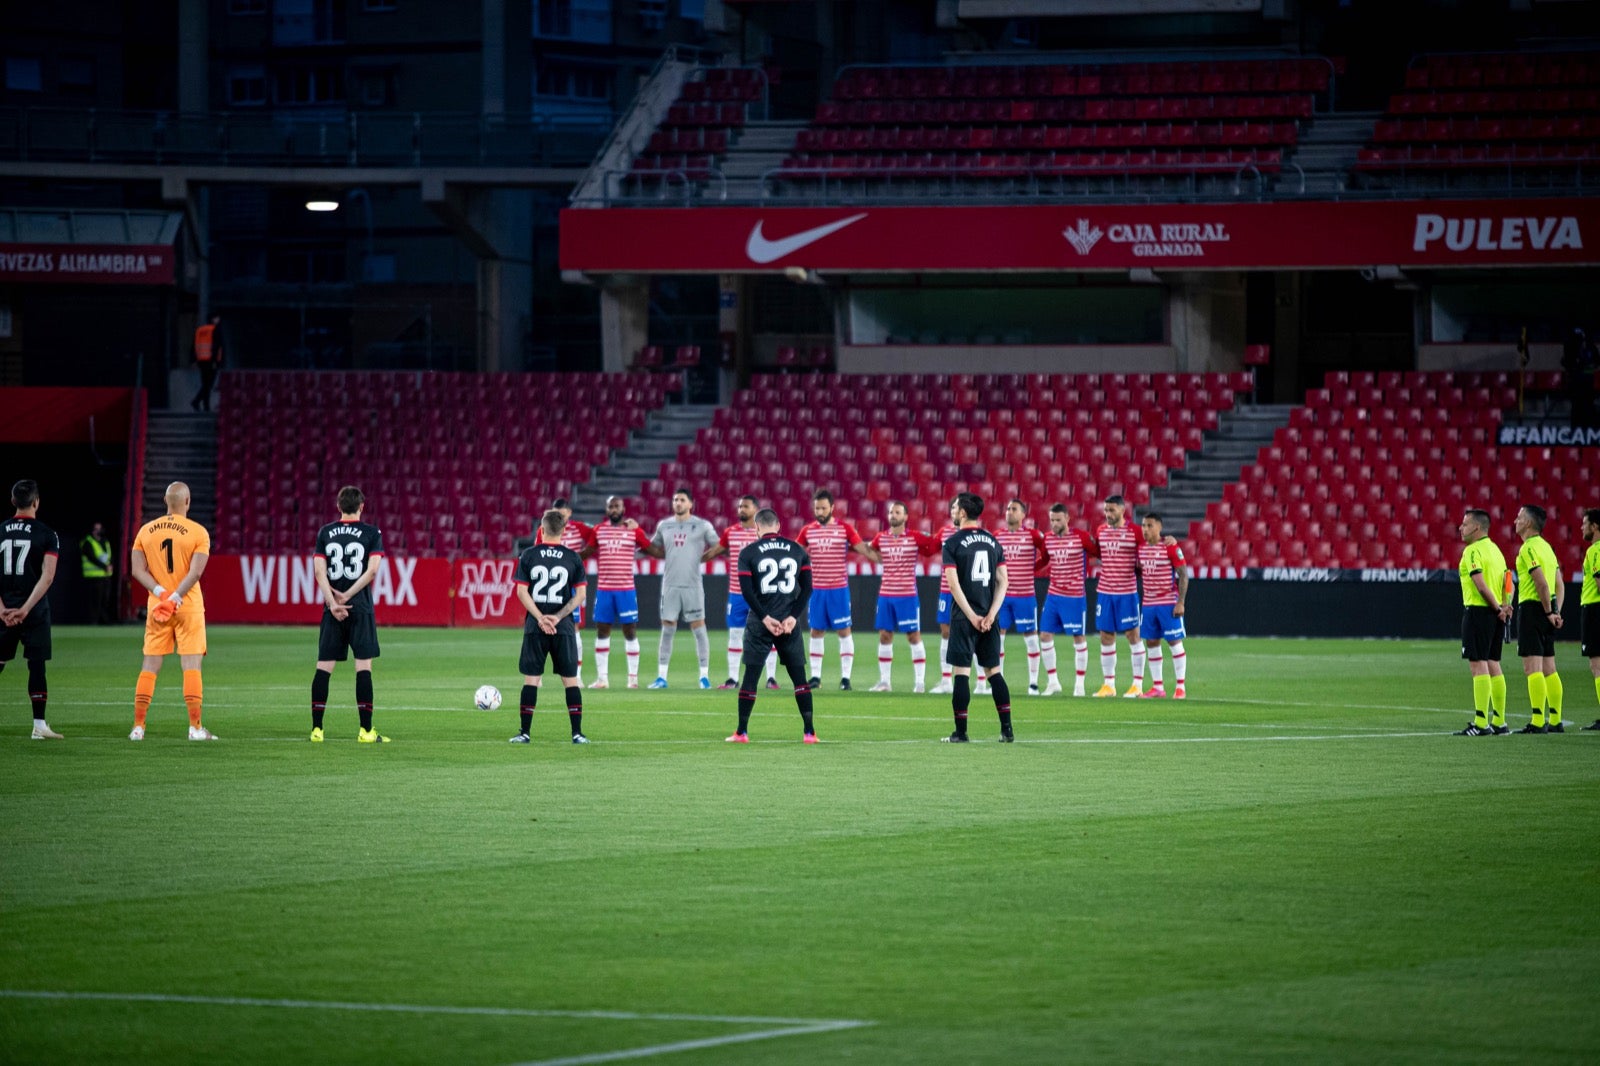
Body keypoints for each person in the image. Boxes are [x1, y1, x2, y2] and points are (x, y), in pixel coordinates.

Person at [129, 481, 216, 740]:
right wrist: (176, 597)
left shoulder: (146, 530)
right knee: (191, 665)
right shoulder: (198, 532)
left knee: (150, 665)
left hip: (158, 607)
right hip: (187, 606)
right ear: (187, 502)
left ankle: (138, 727)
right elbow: (196, 572)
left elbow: (136, 570)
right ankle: (196, 728)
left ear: (165, 501)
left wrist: (162, 594)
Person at [726, 508, 818, 743]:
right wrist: (793, 617)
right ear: (778, 525)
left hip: (761, 622)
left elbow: (746, 591)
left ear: (757, 528)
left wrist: (765, 617)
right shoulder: (798, 550)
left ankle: (741, 732)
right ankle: (809, 732)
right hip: (788, 622)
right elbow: (807, 588)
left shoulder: (748, 552)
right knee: (799, 678)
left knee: (751, 676)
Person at [311, 485, 388, 743]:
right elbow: (373, 571)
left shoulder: (326, 532)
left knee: (324, 668)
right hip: (361, 608)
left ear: (338, 506)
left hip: (332, 610)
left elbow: (319, 572)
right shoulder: (371, 533)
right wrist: (349, 595)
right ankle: (366, 731)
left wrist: (333, 602)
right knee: (363, 668)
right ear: (361, 507)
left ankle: (317, 730)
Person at [510, 510, 589, 744]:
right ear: (563, 530)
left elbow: (521, 592)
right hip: (563, 627)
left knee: (531, 679)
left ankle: (524, 733)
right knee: (570, 680)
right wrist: (557, 617)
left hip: (536, 627)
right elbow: (581, 595)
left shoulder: (528, 555)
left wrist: (540, 618)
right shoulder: (573, 558)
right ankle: (577, 733)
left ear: (542, 530)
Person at [941, 492, 1013, 743]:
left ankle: (960, 733)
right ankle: (1007, 730)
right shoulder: (993, 541)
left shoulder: (952, 543)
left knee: (961, 673)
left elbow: (953, 585)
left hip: (964, 618)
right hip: (989, 619)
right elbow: (1003, 581)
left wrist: (971, 616)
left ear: (962, 513)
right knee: (994, 672)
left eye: (955, 507)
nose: (953, 511)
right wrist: (990, 614)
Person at [1, 480, 63, 739]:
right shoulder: (47, 534)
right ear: (36, 502)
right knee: (36, 665)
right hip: (34, 611)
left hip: (3, 612)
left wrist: (3, 609)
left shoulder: (1, 530)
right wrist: (25, 609)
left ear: (13, 501)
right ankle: (39, 726)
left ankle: (40, 726)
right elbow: (47, 577)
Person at [797, 488, 874, 690]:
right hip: (817, 590)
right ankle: (815, 677)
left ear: (832, 508)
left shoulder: (845, 529)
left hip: (838, 589)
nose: (820, 512)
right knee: (816, 631)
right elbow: (796, 553)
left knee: (844, 631)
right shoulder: (807, 531)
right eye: (817, 508)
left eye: (823, 508)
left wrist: (884, 560)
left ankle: (846, 679)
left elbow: (863, 549)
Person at [702, 494, 779, 691]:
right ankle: (733, 678)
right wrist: (694, 560)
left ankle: (771, 678)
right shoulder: (730, 533)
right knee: (735, 635)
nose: (741, 510)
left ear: (755, 509)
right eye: (739, 506)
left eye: (745, 506)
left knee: (769, 634)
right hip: (737, 594)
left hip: (762, 594)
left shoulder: (762, 533)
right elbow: (715, 551)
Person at [648, 488, 720, 689]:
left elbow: (719, 546)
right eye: (675, 500)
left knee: (699, 628)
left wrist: (704, 558)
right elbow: (654, 548)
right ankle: (661, 677)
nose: (678, 503)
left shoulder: (702, 525)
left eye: (682, 500)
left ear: (690, 504)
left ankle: (704, 677)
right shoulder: (664, 525)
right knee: (668, 629)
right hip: (670, 585)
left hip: (692, 585)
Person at [589, 495, 662, 689]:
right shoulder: (598, 530)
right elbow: (587, 551)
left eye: (617, 506)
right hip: (604, 590)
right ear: (606, 510)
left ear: (623, 509)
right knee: (602, 630)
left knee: (630, 631)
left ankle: (633, 680)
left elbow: (652, 550)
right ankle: (602, 679)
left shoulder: (632, 531)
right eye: (611, 506)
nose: (614, 509)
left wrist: (639, 530)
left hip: (626, 590)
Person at [867, 500, 939, 692]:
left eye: (898, 512)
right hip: (886, 594)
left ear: (906, 517)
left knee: (913, 636)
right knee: (884, 636)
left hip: (907, 595)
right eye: (891, 512)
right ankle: (884, 682)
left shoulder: (915, 537)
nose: (893, 515)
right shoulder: (881, 538)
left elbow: (933, 544)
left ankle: (919, 683)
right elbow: (869, 550)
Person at [1453, 509, 1511, 736]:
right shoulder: (1496, 551)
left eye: (1465, 524)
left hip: (1479, 612)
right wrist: (1505, 606)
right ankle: (1500, 721)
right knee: (1493, 662)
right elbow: (1508, 581)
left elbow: (1479, 584)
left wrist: (1497, 607)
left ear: (1477, 527)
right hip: (1496, 614)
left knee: (1478, 665)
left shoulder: (1472, 551)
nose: (1461, 527)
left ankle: (1481, 722)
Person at [1512, 504, 1565, 733]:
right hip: (1548, 608)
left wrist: (1546, 612)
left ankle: (1536, 721)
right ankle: (1555, 720)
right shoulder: (1548, 548)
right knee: (1549, 667)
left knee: (1532, 668)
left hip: (1534, 609)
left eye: (1520, 517)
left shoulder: (1528, 549)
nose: (1515, 520)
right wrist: (1556, 612)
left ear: (1529, 524)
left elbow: (1542, 583)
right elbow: (1559, 584)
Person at [994, 499, 1049, 695]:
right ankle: (998, 680)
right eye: (1008, 508)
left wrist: (1033, 568)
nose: (1009, 512)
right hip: (1002, 596)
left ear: (1023, 514)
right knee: (997, 638)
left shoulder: (1032, 535)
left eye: (1014, 509)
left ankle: (1033, 683)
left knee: (1031, 638)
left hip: (1025, 595)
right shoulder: (997, 536)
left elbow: (1047, 553)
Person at [1092, 494, 1145, 698]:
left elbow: (1148, 550)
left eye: (1112, 510)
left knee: (1133, 635)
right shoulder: (1101, 531)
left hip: (1127, 592)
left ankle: (1137, 685)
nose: (1108, 514)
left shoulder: (1135, 532)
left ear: (1123, 510)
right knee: (1106, 636)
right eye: (1106, 510)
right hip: (1105, 591)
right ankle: (1109, 685)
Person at [1040, 503, 1095, 697]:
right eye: (1052, 520)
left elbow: (1098, 552)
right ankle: (1053, 682)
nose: (1054, 524)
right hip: (1053, 595)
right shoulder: (1047, 538)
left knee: (1078, 637)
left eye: (1058, 520)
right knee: (1045, 636)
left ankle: (1079, 685)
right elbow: (1044, 560)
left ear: (1067, 519)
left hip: (1074, 596)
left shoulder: (1081, 537)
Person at [1134, 513, 1189, 700]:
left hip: (1167, 602)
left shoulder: (1170, 546)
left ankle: (1180, 687)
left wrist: (1180, 602)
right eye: (1143, 525)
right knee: (1151, 642)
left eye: (1150, 525)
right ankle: (1158, 687)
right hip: (1148, 604)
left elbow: (1183, 574)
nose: (1145, 529)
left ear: (1159, 528)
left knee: (1174, 642)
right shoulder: (1140, 549)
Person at [542, 497, 596, 683]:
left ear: (569, 513)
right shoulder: (546, 529)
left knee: (574, 629)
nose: (559, 517)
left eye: (562, 514)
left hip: (571, 586)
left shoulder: (579, 528)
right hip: (549, 585)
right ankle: (537, 675)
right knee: (540, 625)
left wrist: (578, 558)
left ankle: (577, 675)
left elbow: (597, 536)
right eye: (556, 514)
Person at [929, 501, 961, 694]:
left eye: (956, 508)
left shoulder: (974, 533)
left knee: (971, 633)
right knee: (945, 631)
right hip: (946, 589)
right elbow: (929, 548)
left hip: (966, 590)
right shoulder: (944, 532)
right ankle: (946, 680)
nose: (953, 512)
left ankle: (982, 682)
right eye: (952, 508)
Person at [1579, 508, 1600, 731]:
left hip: (1595, 608)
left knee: (1597, 665)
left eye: (1585, 523)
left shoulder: (1595, 551)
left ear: (1595, 526)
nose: (1582, 527)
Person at [79, 520, 115, 625]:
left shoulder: (105, 542)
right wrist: (104, 566)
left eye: (100, 529)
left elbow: (110, 556)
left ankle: (104, 621)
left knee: (105, 600)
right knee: (95, 602)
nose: (98, 531)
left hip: (106, 576)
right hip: (93, 577)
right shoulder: (88, 542)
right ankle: (93, 622)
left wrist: (110, 565)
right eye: (96, 529)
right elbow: (91, 557)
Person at [1561, 327, 1595, 430]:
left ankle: (1588, 430)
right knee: (1576, 407)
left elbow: (1596, 362)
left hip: (1587, 383)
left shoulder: (1591, 348)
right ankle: (1575, 430)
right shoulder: (1570, 348)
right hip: (1576, 383)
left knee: (1587, 407)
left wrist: (1589, 365)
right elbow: (1565, 362)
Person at [191, 314, 223, 412]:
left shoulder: (199, 330)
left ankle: (203, 404)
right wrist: (215, 361)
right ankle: (198, 402)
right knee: (208, 384)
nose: (218, 320)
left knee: (205, 383)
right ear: (213, 319)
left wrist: (193, 360)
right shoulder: (215, 330)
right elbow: (215, 347)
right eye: (217, 318)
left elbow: (193, 345)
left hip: (201, 360)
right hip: (210, 361)